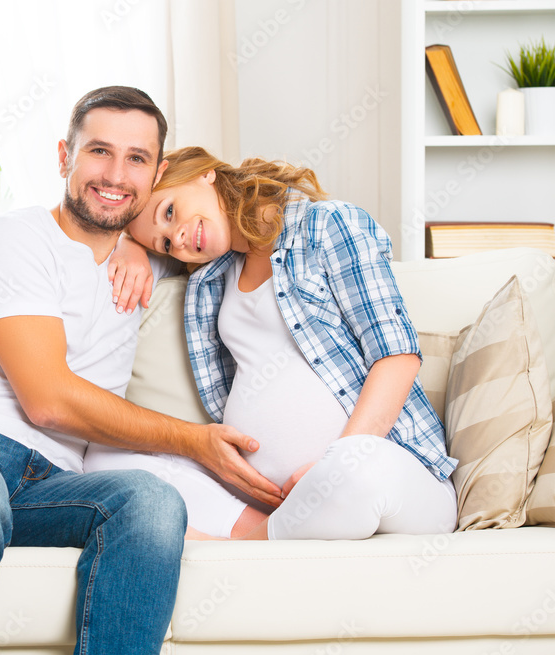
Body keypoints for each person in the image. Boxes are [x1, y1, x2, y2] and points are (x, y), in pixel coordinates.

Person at [0, 89, 283, 655]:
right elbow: (49, 402)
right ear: (64, 155)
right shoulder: (15, 239)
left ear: (157, 173)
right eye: (98, 152)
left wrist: (137, 249)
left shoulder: (153, 252)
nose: (115, 174)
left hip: (46, 485)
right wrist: (194, 441)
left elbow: (240, 227)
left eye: (136, 159)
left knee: (152, 502)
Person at [86, 145, 458, 541]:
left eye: (170, 211)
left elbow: (396, 356)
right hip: (266, 497)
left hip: (383, 475)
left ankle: (246, 546)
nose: (176, 238)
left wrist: (328, 468)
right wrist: (130, 244)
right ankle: (264, 530)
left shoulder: (327, 224)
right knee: (104, 460)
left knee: (355, 471)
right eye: (163, 243)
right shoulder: (213, 272)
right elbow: (114, 231)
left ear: (203, 173)